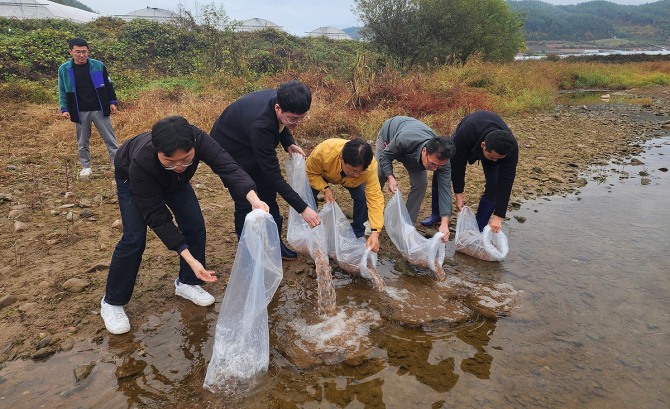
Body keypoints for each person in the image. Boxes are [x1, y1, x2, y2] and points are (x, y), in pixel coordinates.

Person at [101, 116, 269, 335]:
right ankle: (112, 301)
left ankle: (187, 283)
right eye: (170, 161)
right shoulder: (142, 160)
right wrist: (189, 258)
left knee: (195, 224)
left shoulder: (199, 140)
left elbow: (227, 166)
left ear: (193, 147)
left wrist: (254, 199)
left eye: (186, 159)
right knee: (134, 237)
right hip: (131, 179)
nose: (180, 166)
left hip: (175, 184)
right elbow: (157, 216)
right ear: (158, 152)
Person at [210, 80, 321, 260]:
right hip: (227, 149)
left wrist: (288, 142)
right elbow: (274, 175)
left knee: (268, 194)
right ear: (278, 108)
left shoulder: (282, 98)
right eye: (294, 118)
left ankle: (274, 244)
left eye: (302, 117)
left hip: (247, 138)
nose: (297, 123)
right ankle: (247, 249)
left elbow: (282, 124)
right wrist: (303, 209)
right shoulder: (261, 125)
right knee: (246, 198)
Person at [422, 111, 518, 233]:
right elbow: (458, 165)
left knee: (494, 185)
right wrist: (459, 194)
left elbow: (506, 181)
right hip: (470, 134)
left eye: (499, 159)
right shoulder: (467, 132)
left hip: (493, 147)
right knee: (441, 168)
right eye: (493, 157)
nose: (495, 161)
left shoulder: (511, 148)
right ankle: (436, 214)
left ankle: (478, 227)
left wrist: (498, 215)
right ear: (483, 145)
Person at [376, 116, 455, 242]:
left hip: (413, 155)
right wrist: (390, 177)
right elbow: (385, 157)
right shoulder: (405, 139)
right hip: (390, 137)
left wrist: (444, 222)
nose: (434, 169)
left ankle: (406, 224)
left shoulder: (443, 162)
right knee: (379, 174)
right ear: (424, 151)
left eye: (439, 166)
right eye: (432, 164)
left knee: (421, 183)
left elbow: (445, 189)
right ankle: (368, 216)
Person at [305, 138, 384, 253]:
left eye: (360, 171)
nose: (357, 175)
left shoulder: (369, 167)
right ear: (341, 158)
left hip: (351, 182)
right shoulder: (324, 151)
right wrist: (325, 188)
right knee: (309, 197)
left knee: (362, 196)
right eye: (353, 170)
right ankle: (311, 230)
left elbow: (375, 198)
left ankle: (357, 232)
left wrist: (375, 232)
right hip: (323, 173)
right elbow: (310, 172)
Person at [58, 37, 119, 178]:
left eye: (84, 52)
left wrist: (112, 101)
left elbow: (108, 85)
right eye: (78, 52)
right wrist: (64, 108)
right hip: (79, 111)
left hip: (100, 109)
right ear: (70, 52)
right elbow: (62, 90)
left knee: (110, 139)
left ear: (88, 51)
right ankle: (86, 167)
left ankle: (118, 165)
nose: (81, 55)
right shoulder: (65, 69)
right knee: (82, 141)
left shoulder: (97, 66)